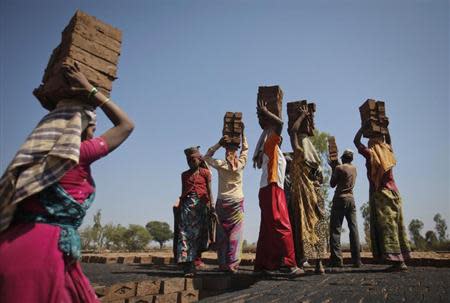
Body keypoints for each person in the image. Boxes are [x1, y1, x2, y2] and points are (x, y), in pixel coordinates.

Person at [0, 63, 134, 303]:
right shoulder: (77, 154)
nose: (94, 133)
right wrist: (90, 89)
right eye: (92, 127)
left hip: (10, 246)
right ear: (79, 128)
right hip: (43, 255)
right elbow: (126, 125)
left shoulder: (32, 158)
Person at [252, 99, 302, 276]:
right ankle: (289, 264)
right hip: (272, 188)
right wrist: (266, 112)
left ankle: (263, 265)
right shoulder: (271, 144)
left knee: (267, 229)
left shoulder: (277, 150)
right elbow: (280, 124)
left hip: (270, 189)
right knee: (283, 225)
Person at [354, 124, 410, 271]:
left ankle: (399, 262)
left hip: (382, 193)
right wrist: (386, 128)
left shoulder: (371, 154)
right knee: (397, 225)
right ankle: (400, 259)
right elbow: (389, 142)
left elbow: (356, 142)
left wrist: (362, 128)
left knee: (388, 227)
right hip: (395, 193)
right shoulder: (387, 151)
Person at [204, 123, 248, 273]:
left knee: (222, 234)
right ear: (236, 153)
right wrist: (243, 134)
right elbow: (246, 150)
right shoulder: (241, 164)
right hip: (237, 202)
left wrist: (218, 144)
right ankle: (232, 265)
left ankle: (222, 263)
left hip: (222, 202)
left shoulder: (221, 164)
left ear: (225, 153)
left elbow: (206, 157)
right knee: (236, 234)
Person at [287, 107, 327, 274]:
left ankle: (301, 260)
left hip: (303, 195)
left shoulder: (300, 149)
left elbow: (292, 131)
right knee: (317, 225)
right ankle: (319, 264)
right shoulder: (313, 153)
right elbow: (321, 179)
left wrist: (302, 114)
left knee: (301, 224)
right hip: (315, 194)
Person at [176, 146, 214, 276]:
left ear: (199, 159)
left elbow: (209, 190)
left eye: (193, 159)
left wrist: (212, 205)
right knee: (185, 235)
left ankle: (195, 260)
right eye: (188, 160)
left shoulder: (205, 173)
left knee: (200, 237)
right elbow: (182, 192)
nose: (190, 162)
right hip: (187, 209)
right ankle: (188, 266)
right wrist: (179, 206)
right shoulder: (184, 175)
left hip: (202, 208)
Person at [328, 149, 362, 268]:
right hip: (351, 199)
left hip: (340, 199)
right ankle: (357, 260)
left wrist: (333, 168)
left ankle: (337, 260)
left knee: (335, 229)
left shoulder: (339, 168)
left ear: (343, 158)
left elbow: (332, 184)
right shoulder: (354, 169)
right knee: (353, 228)